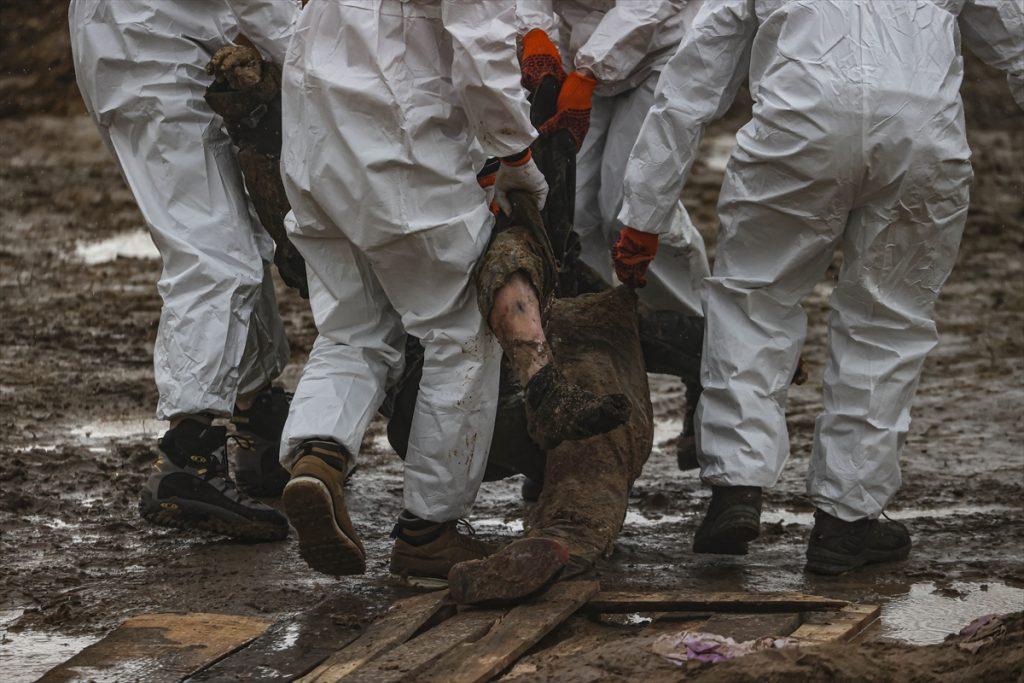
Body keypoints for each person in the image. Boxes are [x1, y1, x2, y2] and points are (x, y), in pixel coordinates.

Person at [613, 0, 1023, 574]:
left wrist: (644, 210)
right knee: (889, 319)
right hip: (920, 135)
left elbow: (694, 75)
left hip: (797, 130)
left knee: (752, 299)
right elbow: (1016, 37)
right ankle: (847, 522)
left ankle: (736, 485)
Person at [277, 0, 556, 586]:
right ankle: (429, 533)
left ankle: (319, 457)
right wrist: (518, 156)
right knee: (460, 332)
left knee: (352, 326)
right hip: (401, 155)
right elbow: (480, 51)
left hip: (313, 150)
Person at [70, 0, 304, 541]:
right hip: (150, 49)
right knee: (214, 253)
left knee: (240, 235)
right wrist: (313, 68)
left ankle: (259, 422)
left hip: (146, 37)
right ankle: (188, 458)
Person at [515, 0, 712, 467]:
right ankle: (603, 355)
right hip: (581, 54)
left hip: (660, 48)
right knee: (575, 213)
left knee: (631, 208)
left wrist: (589, 71)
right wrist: (535, 32)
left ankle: (705, 347)